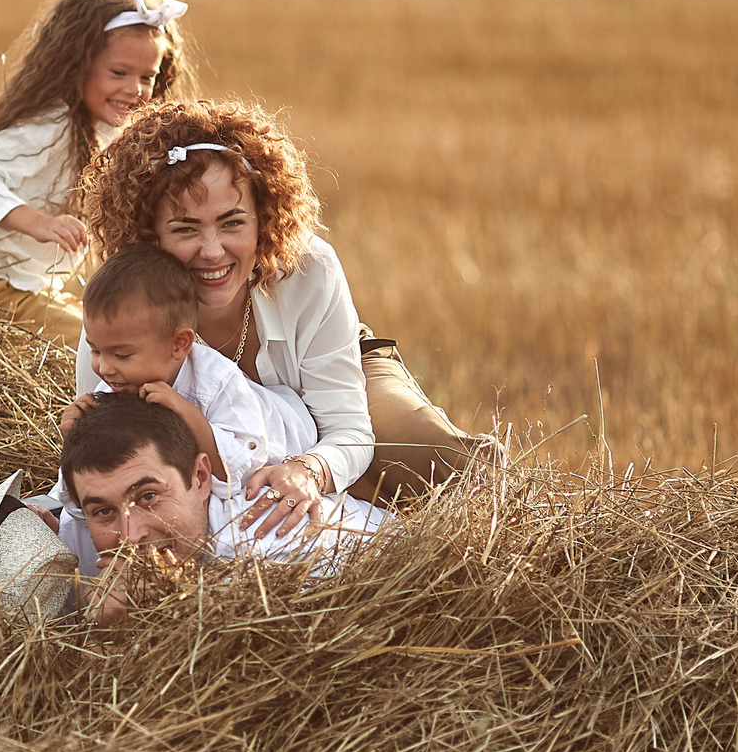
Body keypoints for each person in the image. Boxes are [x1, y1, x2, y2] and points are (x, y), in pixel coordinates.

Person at [76, 99, 490, 526]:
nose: (213, 251)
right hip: (247, 436)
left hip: (335, 369)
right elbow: (111, 459)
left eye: (233, 222)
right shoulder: (121, 324)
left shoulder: (309, 269)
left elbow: (348, 431)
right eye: (185, 228)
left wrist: (308, 469)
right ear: (150, 235)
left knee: (427, 454)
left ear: (263, 219)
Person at [0, 0, 198, 348]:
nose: (135, 89)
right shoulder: (50, 127)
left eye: (147, 77)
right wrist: (39, 224)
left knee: (115, 327)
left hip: (21, 289)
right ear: (77, 67)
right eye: (118, 73)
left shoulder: (106, 134)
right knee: (104, 346)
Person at [59, 396, 387, 627]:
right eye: (102, 511)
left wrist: (116, 629)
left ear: (200, 478)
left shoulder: (268, 548)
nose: (130, 537)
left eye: (148, 497)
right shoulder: (79, 543)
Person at [60, 244, 316, 496]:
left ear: (179, 344)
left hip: (286, 446)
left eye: (122, 355)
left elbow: (237, 470)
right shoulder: (116, 385)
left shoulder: (217, 382)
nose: (103, 368)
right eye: (95, 351)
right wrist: (77, 439)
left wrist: (188, 415)